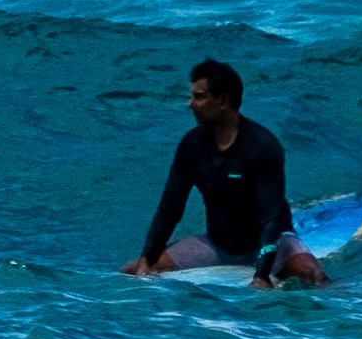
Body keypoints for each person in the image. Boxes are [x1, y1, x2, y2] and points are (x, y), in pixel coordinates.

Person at [134, 57, 329, 284]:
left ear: (223, 101)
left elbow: (271, 218)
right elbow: (170, 207)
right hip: (217, 246)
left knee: (314, 277)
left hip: (269, 245)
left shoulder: (263, 147)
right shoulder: (191, 145)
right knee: (132, 272)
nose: (190, 104)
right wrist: (148, 257)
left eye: (199, 97)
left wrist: (262, 274)